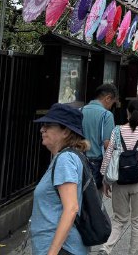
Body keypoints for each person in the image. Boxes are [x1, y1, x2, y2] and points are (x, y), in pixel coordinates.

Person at [99, 99, 138, 254]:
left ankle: (106, 248)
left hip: (119, 181)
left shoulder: (117, 131)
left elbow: (108, 156)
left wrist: (105, 180)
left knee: (119, 219)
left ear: (127, 112)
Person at [30, 103, 88, 255]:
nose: (42, 129)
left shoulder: (65, 160)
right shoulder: (68, 157)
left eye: (48, 125)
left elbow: (71, 208)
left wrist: (52, 253)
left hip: (61, 249)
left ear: (66, 131)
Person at [81, 83, 119, 189]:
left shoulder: (80, 111)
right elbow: (108, 144)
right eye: (112, 102)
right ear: (108, 98)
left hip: (79, 159)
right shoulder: (106, 115)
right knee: (94, 197)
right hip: (97, 163)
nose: (111, 106)